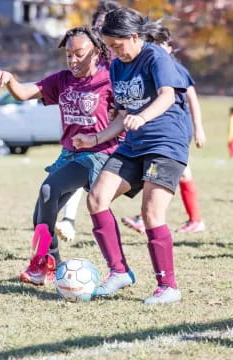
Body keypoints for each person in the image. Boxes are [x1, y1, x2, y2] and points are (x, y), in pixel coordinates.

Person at [72, 8, 190, 305]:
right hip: (133, 145)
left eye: (117, 45)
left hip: (166, 143)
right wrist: (95, 139)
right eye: (108, 46)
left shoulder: (155, 57)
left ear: (135, 36)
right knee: (97, 198)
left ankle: (168, 286)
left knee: (151, 213)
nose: (112, 51)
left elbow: (167, 95)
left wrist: (143, 117)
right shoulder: (116, 65)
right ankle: (119, 271)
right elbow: (123, 114)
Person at [0, 27, 117, 286]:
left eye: (79, 54)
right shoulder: (62, 79)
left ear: (96, 53)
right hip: (69, 153)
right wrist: (11, 79)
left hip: (97, 154)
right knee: (40, 214)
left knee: (49, 189)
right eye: (68, 55)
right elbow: (24, 94)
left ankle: (42, 264)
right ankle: (53, 264)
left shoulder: (110, 79)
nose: (72, 61)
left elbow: (127, 113)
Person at [120, 25, 207, 234]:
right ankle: (189, 219)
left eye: (161, 45)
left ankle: (191, 219)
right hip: (156, 131)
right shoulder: (147, 67)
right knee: (168, 172)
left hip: (175, 130)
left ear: (170, 48)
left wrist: (198, 128)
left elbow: (191, 97)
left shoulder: (174, 68)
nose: (157, 49)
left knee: (165, 171)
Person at [54, 0, 123, 243]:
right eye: (98, 25)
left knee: (103, 191)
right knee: (74, 169)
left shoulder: (120, 59)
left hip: (118, 134)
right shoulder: (84, 56)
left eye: (106, 25)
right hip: (88, 133)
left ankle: (145, 219)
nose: (101, 30)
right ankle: (69, 220)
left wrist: (120, 108)